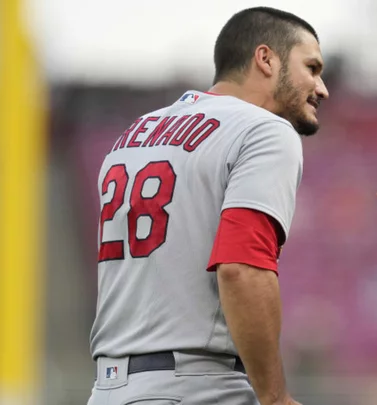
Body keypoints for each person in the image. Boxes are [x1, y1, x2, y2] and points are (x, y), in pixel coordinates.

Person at [87, 7, 329, 405]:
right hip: (198, 385)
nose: (321, 88)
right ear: (265, 59)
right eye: (312, 67)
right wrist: (274, 396)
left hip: (109, 387)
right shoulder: (265, 129)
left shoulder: (132, 135)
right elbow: (241, 267)